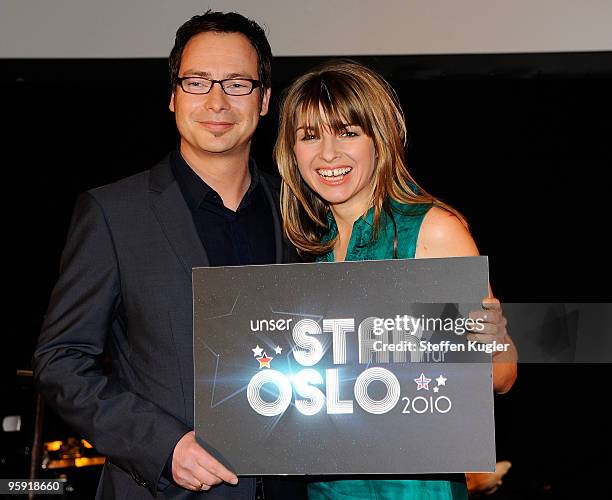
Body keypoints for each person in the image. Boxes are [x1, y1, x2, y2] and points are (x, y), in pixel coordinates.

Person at [33, 11, 303, 500]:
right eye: (198, 82)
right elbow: (61, 360)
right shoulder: (114, 214)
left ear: (264, 100)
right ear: (174, 96)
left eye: (238, 83)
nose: (217, 100)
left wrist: (476, 326)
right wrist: (164, 447)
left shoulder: (301, 212)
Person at [274, 59, 517, 499]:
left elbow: (501, 376)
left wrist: (489, 338)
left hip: (415, 488)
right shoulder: (302, 248)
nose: (328, 153)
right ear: (292, 151)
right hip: (325, 487)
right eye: (309, 136)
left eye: (348, 132)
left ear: (379, 139)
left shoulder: (432, 230)